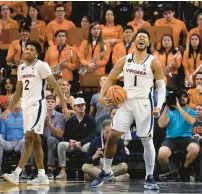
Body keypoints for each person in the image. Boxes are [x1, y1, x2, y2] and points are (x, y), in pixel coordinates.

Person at [91, 29, 166, 190]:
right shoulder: (124, 60)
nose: (141, 39)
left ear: (148, 43)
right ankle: (106, 171)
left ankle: (150, 176)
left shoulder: (154, 62)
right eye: (139, 36)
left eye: (145, 37)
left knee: (147, 140)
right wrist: (102, 95)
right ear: (134, 40)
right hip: (125, 102)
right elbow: (111, 77)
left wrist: (159, 105)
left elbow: (161, 87)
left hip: (144, 104)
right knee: (112, 137)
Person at [2, 40, 69, 185]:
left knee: (28, 139)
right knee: (37, 141)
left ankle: (17, 173)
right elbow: (18, 91)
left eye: (31, 49)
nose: (27, 51)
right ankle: (42, 175)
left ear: (37, 53)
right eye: (26, 49)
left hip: (37, 105)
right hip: (25, 107)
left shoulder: (41, 66)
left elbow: (55, 86)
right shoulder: (21, 68)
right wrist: (8, 108)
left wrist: (63, 105)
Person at [158, 90, 200, 181]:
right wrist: (166, 107)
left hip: (186, 138)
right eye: (180, 96)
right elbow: (161, 124)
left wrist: (178, 107)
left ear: (188, 99)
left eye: (185, 96)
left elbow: (191, 121)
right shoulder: (170, 111)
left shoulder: (191, 111)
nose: (182, 98)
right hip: (171, 139)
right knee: (162, 154)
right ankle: (167, 172)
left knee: (195, 149)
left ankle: (184, 169)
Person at [56, 97, 96, 179]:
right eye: (78, 105)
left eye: (82, 105)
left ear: (85, 106)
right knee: (61, 145)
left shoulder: (90, 120)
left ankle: (89, 171)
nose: (81, 107)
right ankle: (63, 170)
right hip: (72, 144)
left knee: (90, 145)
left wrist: (80, 142)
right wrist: (70, 141)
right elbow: (66, 135)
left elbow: (92, 136)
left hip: (83, 144)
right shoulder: (70, 120)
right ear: (74, 107)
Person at [0, 100, 24, 177]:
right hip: (9, 143)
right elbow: (3, 132)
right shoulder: (4, 115)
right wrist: (1, 137)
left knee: (25, 141)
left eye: (19, 101)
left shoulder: (26, 115)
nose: (17, 102)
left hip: (21, 141)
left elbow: (28, 131)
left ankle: (24, 169)